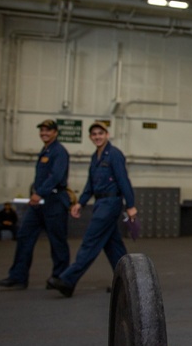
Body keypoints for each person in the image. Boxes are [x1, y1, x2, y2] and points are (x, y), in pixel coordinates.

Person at [47, 122, 137, 298]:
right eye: (94, 134)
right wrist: (80, 203)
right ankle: (130, 282)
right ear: (90, 137)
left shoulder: (114, 155)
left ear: (107, 135)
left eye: (100, 133)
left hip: (111, 203)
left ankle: (68, 280)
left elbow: (123, 180)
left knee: (90, 241)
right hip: (100, 203)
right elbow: (90, 184)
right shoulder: (95, 157)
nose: (97, 137)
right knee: (113, 246)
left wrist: (131, 205)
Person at [0, 119, 71, 289]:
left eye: (48, 130)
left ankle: (60, 278)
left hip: (54, 201)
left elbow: (56, 177)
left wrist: (40, 193)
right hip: (39, 203)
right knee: (24, 236)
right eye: (42, 130)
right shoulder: (45, 151)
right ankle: (18, 277)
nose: (44, 133)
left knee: (57, 241)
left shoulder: (59, 152)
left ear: (55, 132)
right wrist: (36, 194)